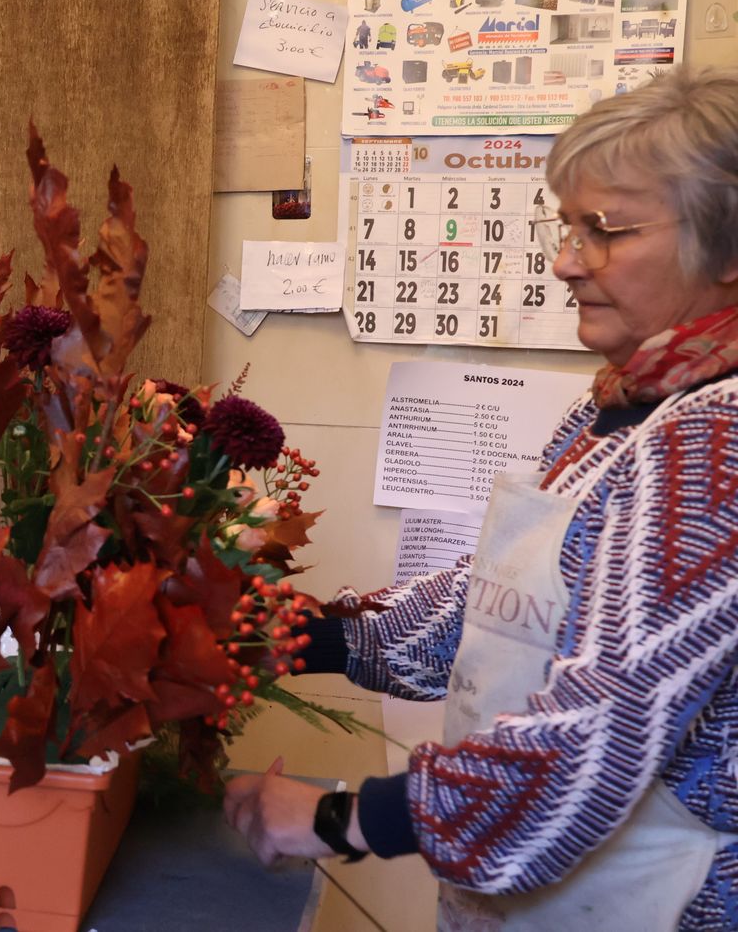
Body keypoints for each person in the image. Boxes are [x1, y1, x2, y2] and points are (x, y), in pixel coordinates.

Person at [225, 65, 738, 931]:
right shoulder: (615, 405)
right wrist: (295, 635)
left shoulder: (715, 444)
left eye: (605, 230)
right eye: (566, 226)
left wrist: (337, 819)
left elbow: (594, 741)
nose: (567, 261)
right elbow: (493, 610)